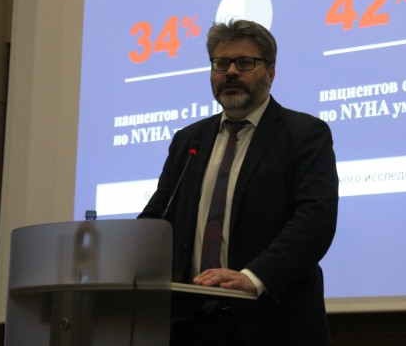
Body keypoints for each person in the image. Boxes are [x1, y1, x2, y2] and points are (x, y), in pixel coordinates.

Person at [139, 19, 339, 345]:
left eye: (245, 63)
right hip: (192, 325)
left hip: (272, 323)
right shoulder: (189, 141)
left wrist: (253, 277)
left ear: (270, 72)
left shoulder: (303, 135)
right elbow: (158, 219)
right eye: (221, 63)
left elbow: (316, 220)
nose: (230, 72)